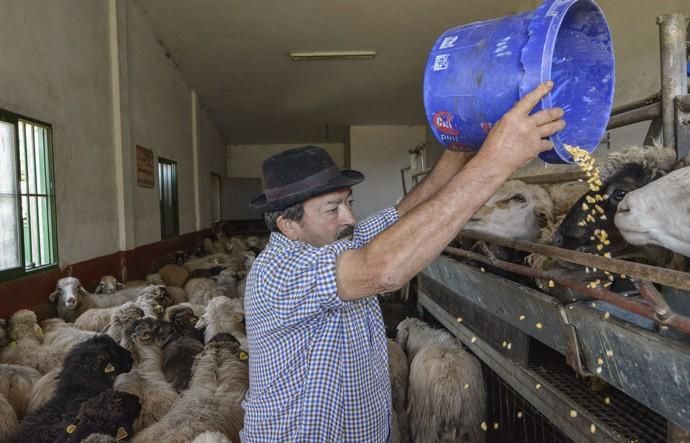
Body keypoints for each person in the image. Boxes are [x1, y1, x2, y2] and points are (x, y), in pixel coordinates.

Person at [239, 81, 565, 442]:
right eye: (333, 208)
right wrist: (497, 161)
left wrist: (463, 144)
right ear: (289, 224)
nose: (349, 218)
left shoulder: (336, 242)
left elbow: (407, 211)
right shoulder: (278, 272)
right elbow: (382, 271)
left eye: (349, 202)